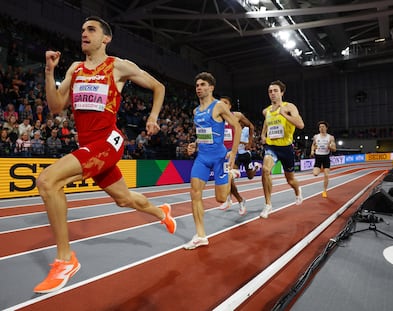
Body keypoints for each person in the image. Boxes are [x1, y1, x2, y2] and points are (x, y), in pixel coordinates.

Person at [34, 16, 176, 294]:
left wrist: (153, 116)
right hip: (87, 145)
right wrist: (50, 72)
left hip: (108, 142)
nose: (84, 33)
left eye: (91, 29)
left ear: (106, 38)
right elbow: (55, 106)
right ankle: (163, 212)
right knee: (124, 199)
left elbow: (159, 87)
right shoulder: (74, 69)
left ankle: (65, 260)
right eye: (82, 30)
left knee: (47, 181)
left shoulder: (118, 66)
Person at [183, 72, 241, 249]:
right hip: (202, 158)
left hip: (219, 158)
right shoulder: (195, 111)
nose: (199, 88)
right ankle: (201, 235)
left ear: (211, 88)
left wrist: (233, 152)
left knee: (221, 198)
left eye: (202, 85)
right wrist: (195, 144)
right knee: (195, 193)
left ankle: (230, 175)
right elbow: (203, 134)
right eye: (197, 85)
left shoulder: (219, 107)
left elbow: (237, 127)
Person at [260, 80, 304, 218]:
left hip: (286, 148)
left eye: (275, 91)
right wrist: (262, 135)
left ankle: (297, 190)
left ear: (282, 92)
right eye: (270, 91)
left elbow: (301, 125)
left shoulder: (289, 107)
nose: (272, 93)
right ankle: (268, 205)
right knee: (265, 170)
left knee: (290, 180)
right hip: (271, 147)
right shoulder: (266, 111)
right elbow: (267, 123)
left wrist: (284, 114)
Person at [218, 96, 260, 215]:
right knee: (228, 180)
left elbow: (251, 126)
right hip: (222, 152)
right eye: (220, 103)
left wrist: (250, 142)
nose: (222, 104)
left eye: (225, 103)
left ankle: (238, 200)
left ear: (230, 106)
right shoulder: (216, 117)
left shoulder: (236, 116)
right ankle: (231, 199)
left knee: (233, 177)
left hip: (234, 152)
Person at [310, 121, 336, 198]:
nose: (321, 128)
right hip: (318, 157)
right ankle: (320, 168)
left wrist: (330, 147)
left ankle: (324, 191)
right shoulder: (316, 136)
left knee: (326, 175)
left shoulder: (330, 137)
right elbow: (313, 145)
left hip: (326, 157)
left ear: (326, 128)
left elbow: (334, 149)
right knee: (315, 174)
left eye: (323, 126)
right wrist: (312, 151)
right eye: (320, 127)